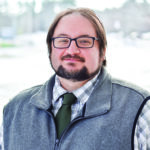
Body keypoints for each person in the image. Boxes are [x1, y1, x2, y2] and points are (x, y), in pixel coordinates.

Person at [3, 8, 150, 150]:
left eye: (84, 41)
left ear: (103, 51)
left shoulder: (140, 107)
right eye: (62, 40)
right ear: (50, 50)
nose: (72, 50)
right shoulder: (15, 110)